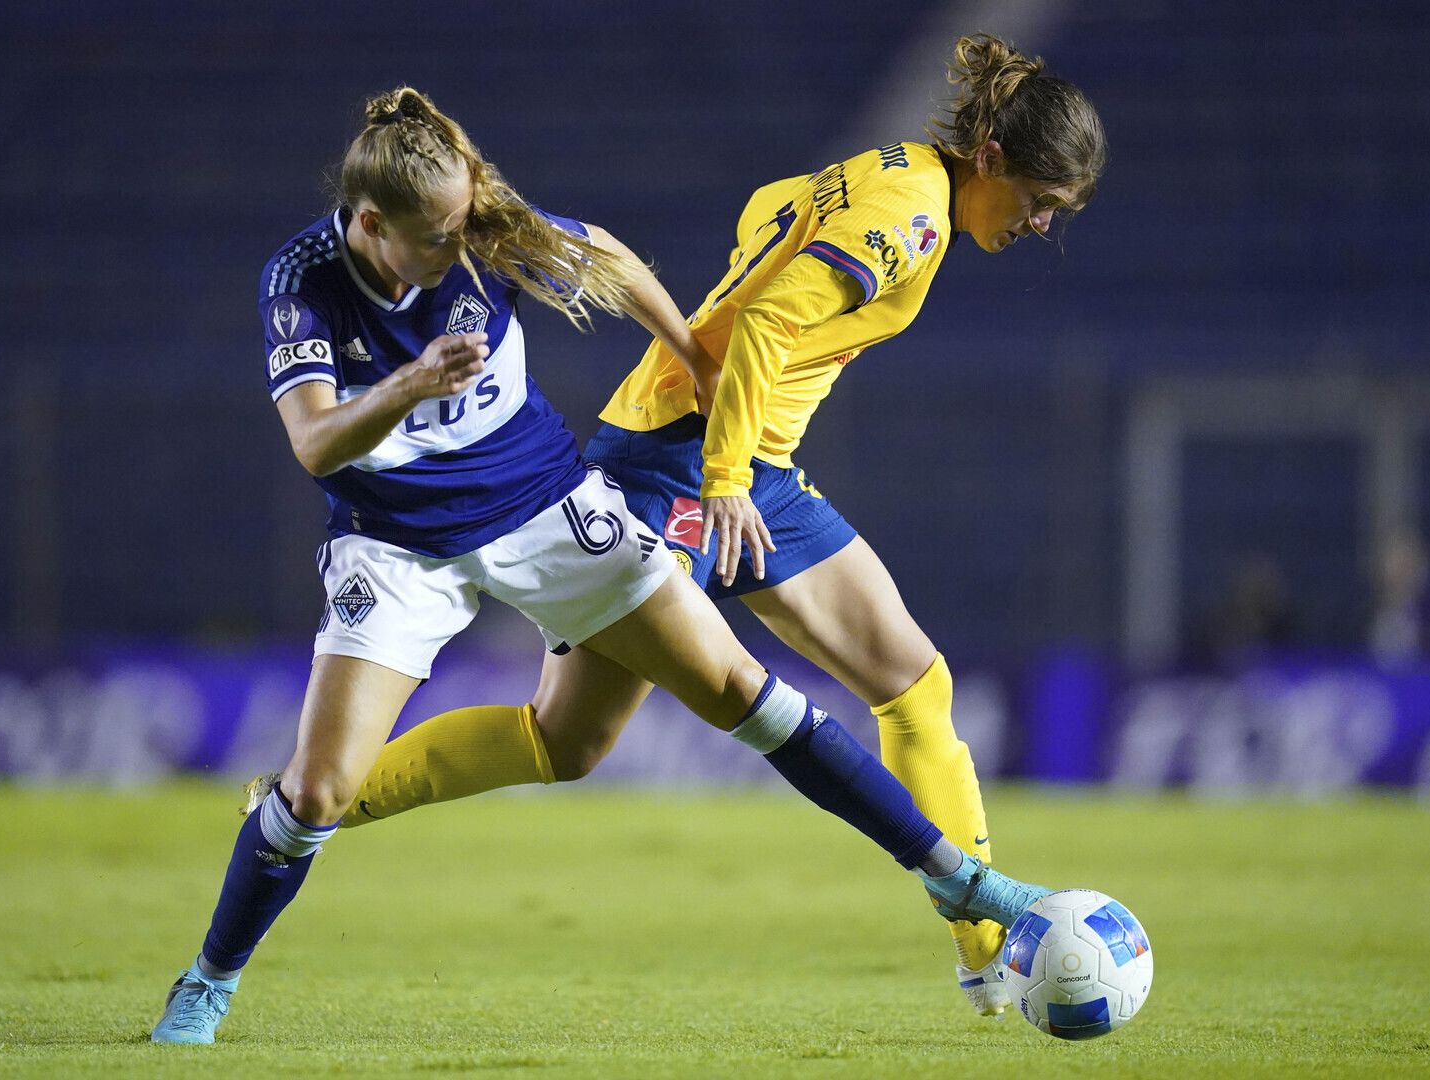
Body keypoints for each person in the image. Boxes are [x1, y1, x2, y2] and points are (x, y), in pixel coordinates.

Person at [152, 86, 1054, 1045]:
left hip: (549, 507)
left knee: (740, 690)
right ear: (372, 224)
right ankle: (209, 977)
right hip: (399, 538)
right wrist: (415, 382)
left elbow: (617, 261)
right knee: (327, 791)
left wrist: (688, 352)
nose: (462, 246)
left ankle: (968, 884)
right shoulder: (301, 280)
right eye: (437, 236)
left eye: (466, 224)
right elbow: (315, 445)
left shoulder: (484, 227)